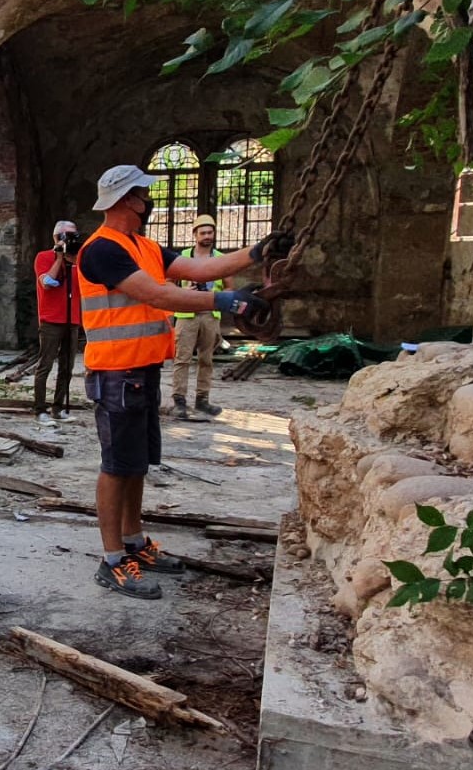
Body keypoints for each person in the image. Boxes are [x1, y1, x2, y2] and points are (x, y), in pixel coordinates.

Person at [77, 165, 293, 599]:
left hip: (141, 371)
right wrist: (226, 300)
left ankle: (134, 543)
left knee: (136, 463)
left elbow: (200, 269)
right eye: (142, 195)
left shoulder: (144, 247)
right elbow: (159, 295)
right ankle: (112, 559)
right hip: (116, 371)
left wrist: (258, 251)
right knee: (116, 466)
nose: (147, 203)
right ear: (124, 201)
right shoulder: (101, 250)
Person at [168, 214, 227, 420]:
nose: (207, 236)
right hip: (186, 313)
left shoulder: (220, 259)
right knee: (182, 358)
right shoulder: (183, 257)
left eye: (210, 232)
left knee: (206, 359)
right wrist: (183, 290)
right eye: (203, 232)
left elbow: (229, 288)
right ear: (195, 235)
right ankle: (179, 401)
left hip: (210, 314)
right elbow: (168, 281)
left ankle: (202, 399)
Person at [31, 221, 85, 426]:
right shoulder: (44, 257)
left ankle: (58, 407)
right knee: (45, 364)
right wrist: (60, 257)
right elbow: (47, 283)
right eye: (67, 235)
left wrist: (73, 259)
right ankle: (40, 410)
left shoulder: (78, 260)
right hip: (51, 320)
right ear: (56, 237)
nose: (71, 239)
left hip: (72, 319)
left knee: (67, 366)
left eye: (74, 235)